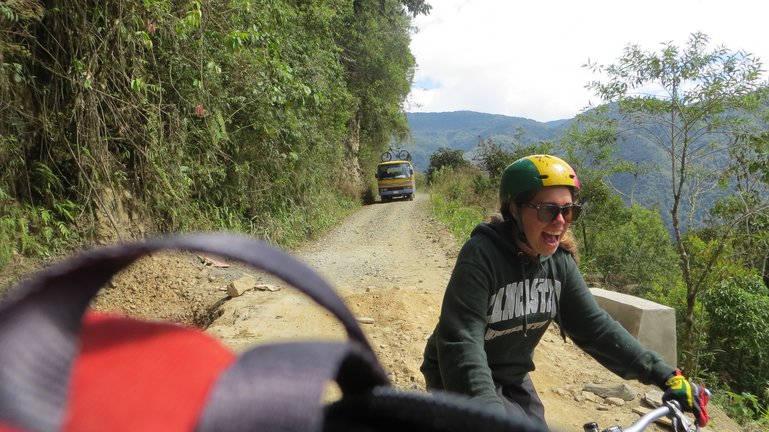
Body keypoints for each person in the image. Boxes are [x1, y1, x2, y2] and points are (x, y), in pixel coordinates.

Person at [420, 154, 709, 427]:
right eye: (548, 210)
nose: (560, 221)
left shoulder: (558, 264)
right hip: (456, 374)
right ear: (514, 210)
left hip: (513, 375)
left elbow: (596, 329)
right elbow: (462, 343)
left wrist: (666, 375)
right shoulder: (482, 255)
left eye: (568, 210)